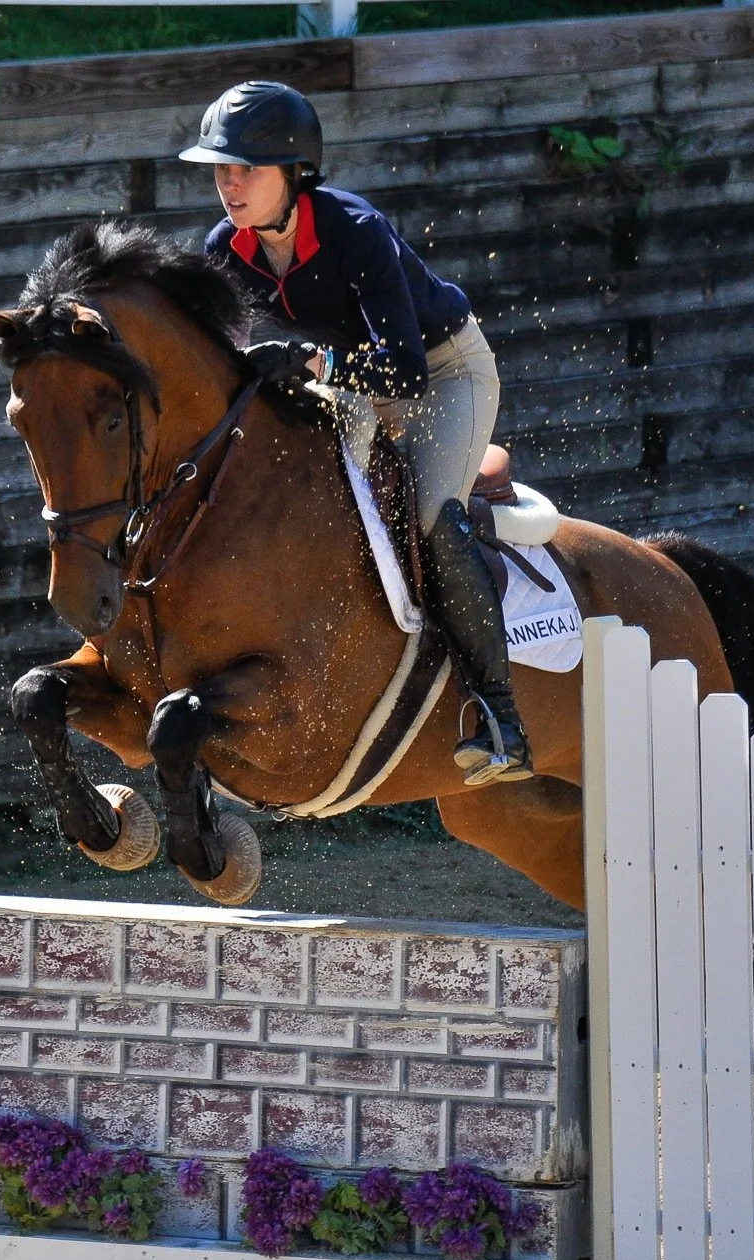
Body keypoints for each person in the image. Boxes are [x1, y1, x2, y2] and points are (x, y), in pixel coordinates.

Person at [178, 80, 533, 785]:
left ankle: (502, 719)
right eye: (222, 168)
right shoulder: (226, 246)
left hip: (442, 373)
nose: (229, 183)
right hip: (351, 377)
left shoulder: (354, 229)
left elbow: (402, 373)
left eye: (246, 167)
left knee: (430, 516)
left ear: (294, 172)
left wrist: (314, 361)